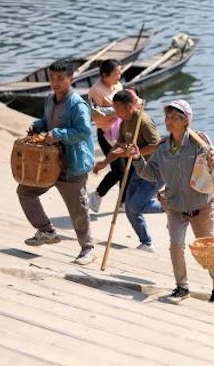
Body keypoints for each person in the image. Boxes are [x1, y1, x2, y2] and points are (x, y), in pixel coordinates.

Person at [129, 99, 214, 303]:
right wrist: (137, 158)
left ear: (186, 121)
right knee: (175, 246)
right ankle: (182, 287)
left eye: (174, 117)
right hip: (174, 207)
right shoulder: (163, 147)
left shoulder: (199, 142)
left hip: (201, 206)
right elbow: (150, 173)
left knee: (207, 249)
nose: (169, 121)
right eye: (167, 117)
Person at [17, 60, 96, 265]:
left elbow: (84, 131)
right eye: (52, 78)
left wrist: (58, 134)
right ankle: (46, 231)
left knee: (78, 210)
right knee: (25, 192)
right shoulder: (50, 100)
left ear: (71, 79)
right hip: (48, 164)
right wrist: (37, 125)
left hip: (72, 166)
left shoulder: (77, 104)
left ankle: (88, 249)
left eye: (60, 78)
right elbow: (47, 122)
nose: (55, 82)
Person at [93, 89, 163, 252]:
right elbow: (118, 146)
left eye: (119, 109)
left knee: (134, 207)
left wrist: (134, 153)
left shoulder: (143, 121)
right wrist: (104, 162)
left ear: (130, 106)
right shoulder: (124, 122)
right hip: (138, 169)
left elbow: (156, 146)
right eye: (115, 109)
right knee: (129, 208)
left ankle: (172, 206)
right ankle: (146, 243)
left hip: (155, 171)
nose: (116, 113)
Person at [87, 59, 124, 213]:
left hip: (121, 131)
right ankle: (97, 195)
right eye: (116, 74)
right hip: (106, 134)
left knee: (128, 167)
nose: (119, 76)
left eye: (120, 73)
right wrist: (117, 109)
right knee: (119, 170)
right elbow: (95, 114)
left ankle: (123, 202)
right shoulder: (95, 91)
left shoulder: (118, 85)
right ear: (104, 75)